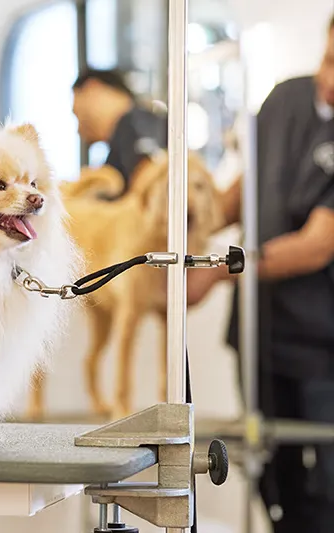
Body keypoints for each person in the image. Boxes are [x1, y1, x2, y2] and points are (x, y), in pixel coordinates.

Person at [187, 14, 334, 532]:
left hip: (320, 348)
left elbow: (316, 246)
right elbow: (247, 185)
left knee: (322, 490)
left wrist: (219, 270)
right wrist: (189, 233)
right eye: (329, 61)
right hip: (259, 334)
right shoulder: (285, 99)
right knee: (269, 476)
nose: (332, 81)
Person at [71, 68, 168, 194]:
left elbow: (151, 185)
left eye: (78, 114)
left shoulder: (133, 122)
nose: (80, 130)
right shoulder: (133, 127)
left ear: (92, 89)